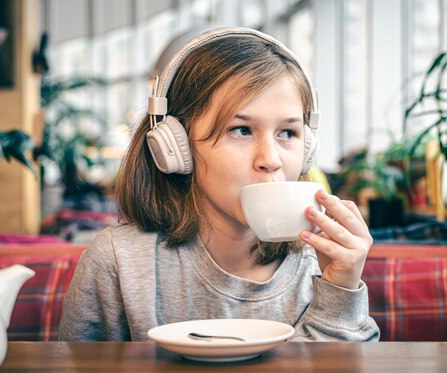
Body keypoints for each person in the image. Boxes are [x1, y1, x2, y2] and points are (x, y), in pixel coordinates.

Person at [58, 27, 380, 342]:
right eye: (240, 130)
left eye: (288, 133)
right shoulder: (119, 262)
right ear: (177, 147)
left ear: (307, 148)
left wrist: (341, 291)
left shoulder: (323, 265)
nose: (271, 159)